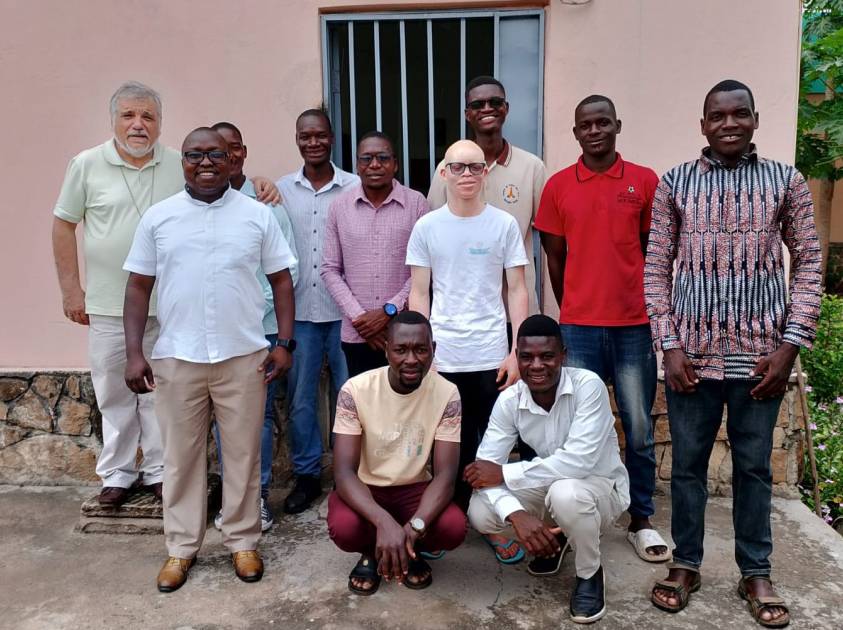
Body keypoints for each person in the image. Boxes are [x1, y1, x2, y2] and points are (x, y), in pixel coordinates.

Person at [51, 81, 280, 506]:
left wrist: (262, 183)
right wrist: (71, 290)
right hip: (107, 303)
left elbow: (222, 185)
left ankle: (158, 470)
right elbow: (64, 224)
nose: (139, 125)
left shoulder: (182, 162)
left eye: (148, 117)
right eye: (129, 116)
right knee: (114, 392)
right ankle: (117, 473)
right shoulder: (85, 165)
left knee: (163, 399)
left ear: (159, 124)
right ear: (114, 120)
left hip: (174, 310)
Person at [645, 80, 822, 627]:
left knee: (754, 469)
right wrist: (669, 347)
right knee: (688, 471)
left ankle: (756, 571)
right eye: (716, 116)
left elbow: (810, 264)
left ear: (755, 119)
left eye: (738, 114)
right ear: (702, 125)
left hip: (761, 360)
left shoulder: (785, 182)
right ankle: (686, 564)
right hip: (691, 360)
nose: (728, 123)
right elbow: (655, 270)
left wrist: (790, 346)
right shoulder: (675, 182)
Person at [122, 127, 296, 592]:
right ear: (181, 161)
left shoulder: (257, 216)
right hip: (178, 358)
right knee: (181, 458)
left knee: (242, 455)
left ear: (231, 158)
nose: (205, 162)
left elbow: (281, 280)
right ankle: (180, 549)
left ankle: (242, 541)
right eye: (194, 154)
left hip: (243, 357)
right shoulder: (159, 219)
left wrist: (284, 342)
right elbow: (138, 287)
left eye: (214, 154)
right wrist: (135, 352)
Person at [534, 95, 668, 563]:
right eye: (585, 125)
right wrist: (571, 304)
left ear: (617, 126)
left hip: (634, 325)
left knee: (638, 427)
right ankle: (569, 520)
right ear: (575, 132)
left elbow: (656, 251)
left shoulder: (644, 182)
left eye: (602, 123)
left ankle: (642, 519)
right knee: (575, 430)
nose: (594, 131)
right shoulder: (557, 186)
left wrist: (650, 307)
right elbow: (554, 257)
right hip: (579, 328)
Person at [407, 139, 529, 562]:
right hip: (443, 358)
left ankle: (490, 525)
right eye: (457, 168)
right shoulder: (427, 227)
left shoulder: (503, 225)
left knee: (488, 446)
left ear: (486, 174)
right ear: (443, 173)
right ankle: (448, 520)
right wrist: (426, 356)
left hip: (491, 356)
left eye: (474, 168)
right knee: (445, 445)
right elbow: (419, 295)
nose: (466, 176)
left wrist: (515, 352)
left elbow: (517, 289)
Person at [467, 314, 630, 624]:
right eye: (527, 357)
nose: (537, 365)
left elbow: (577, 461)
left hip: (601, 488)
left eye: (547, 356)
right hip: (553, 486)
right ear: (517, 357)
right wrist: (517, 516)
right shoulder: (510, 401)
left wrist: (504, 474)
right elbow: (484, 469)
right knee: (480, 510)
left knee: (565, 493)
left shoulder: (588, 386)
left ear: (563, 356)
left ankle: (589, 572)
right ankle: (559, 538)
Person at [328, 311, 466, 595]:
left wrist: (412, 530)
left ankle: (408, 550)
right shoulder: (355, 390)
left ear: (433, 350)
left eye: (420, 349)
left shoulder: (447, 393)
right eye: (401, 350)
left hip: (414, 489)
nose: (412, 359)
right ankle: (371, 552)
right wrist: (383, 522)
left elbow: (446, 476)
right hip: (368, 488)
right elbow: (343, 473)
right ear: (387, 349)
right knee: (344, 527)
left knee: (454, 526)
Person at [208, 121, 299, 533]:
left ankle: (256, 499)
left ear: (242, 153)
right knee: (219, 421)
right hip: (212, 336)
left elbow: (286, 274)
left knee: (257, 418)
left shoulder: (268, 204)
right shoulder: (195, 203)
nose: (225, 156)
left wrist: (259, 320)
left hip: (257, 331)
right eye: (216, 149)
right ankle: (231, 499)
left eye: (233, 148)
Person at [276, 109, 359, 514]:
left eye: (321, 135)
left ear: (331, 138)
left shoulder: (357, 186)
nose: (313, 142)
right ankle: (307, 475)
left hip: (347, 314)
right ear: (297, 139)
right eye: (305, 135)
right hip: (300, 315)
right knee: (301, 399)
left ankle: (350, 476)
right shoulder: (277, 191)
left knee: (352, 398)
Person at [427, 76, 547, 316]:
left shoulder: (532, 167)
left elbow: (548, 235)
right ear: (467, 114)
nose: (487, 109)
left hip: (516, 307)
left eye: (495, 102)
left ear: (506, 109)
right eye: (478, 105)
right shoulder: (449, 168)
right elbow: (434, 232)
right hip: (466, 308)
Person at [321, 131, 429, 377]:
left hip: (405, 334)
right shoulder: (339, 207)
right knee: (363, 407)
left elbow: (425, 269)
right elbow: (330, 269)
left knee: (406, 405)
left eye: (383, 157)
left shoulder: (417, 204)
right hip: (357, 335)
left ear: (396, 164)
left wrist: (389, 311)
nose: (375, 165)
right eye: (366, 159)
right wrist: (361, 320)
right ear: (357, 166)